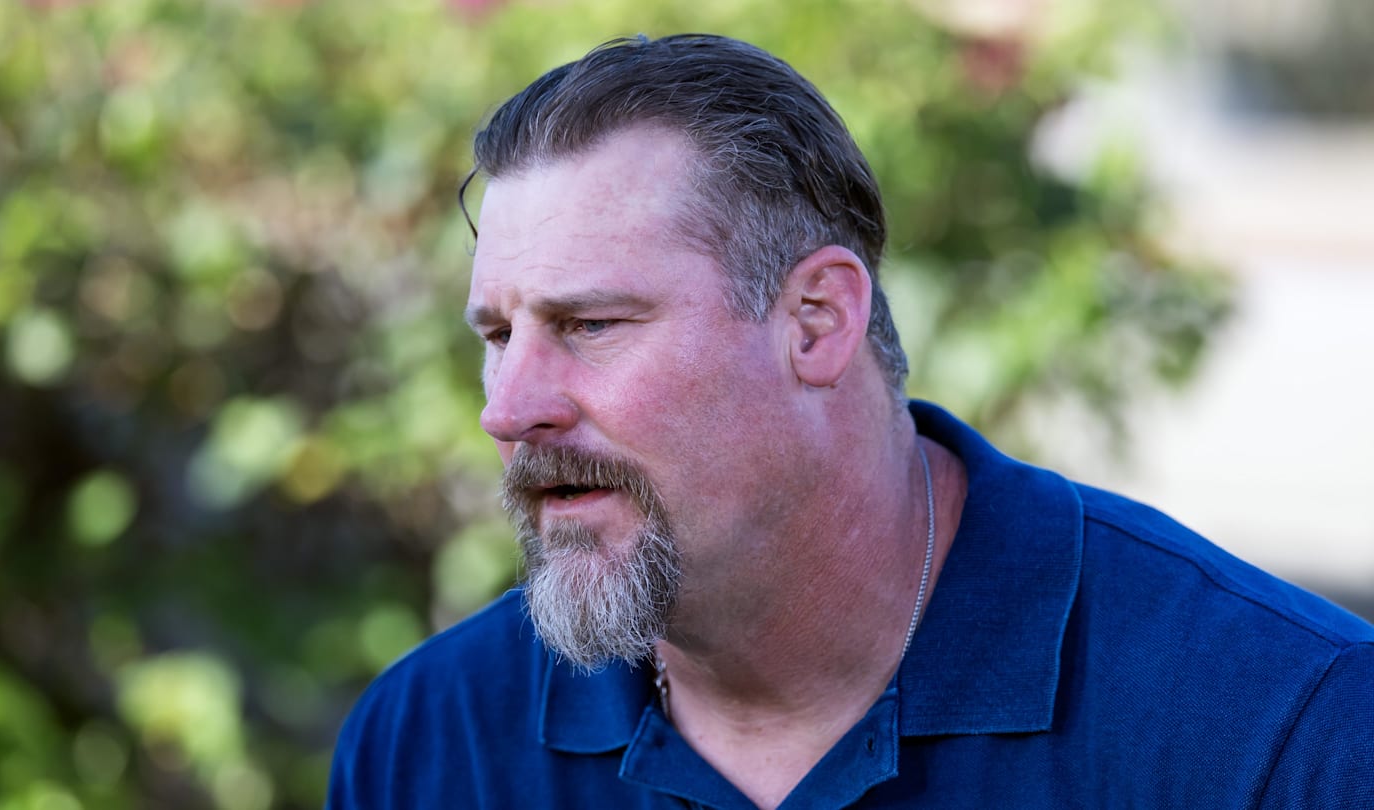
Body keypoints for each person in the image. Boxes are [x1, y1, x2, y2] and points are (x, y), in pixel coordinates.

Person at [326, 34, 1374, 809]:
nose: (507, 408)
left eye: (591, 323)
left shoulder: (1280, 727)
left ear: (817, 320)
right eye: (498, 333)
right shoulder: (431, 742)